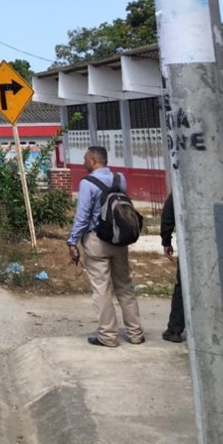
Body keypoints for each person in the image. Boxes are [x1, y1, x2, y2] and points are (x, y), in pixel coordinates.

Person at [67, 146, 144, 348]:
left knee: (102, 289)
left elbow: (82, 216)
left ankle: (108, 336)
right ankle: (135, 333)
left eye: (85, 159)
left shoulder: (87, 183)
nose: (84, 162)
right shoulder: (120, 179)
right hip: (119, 240)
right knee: (125, 286)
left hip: (96, 241)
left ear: (93, 160)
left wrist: (72, 241)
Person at [160, 193, 185, 343]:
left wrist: (166, 241)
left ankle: (175, 329)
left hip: (190, 243)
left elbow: (168, 214)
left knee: (183, 287)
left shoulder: (182, 185)